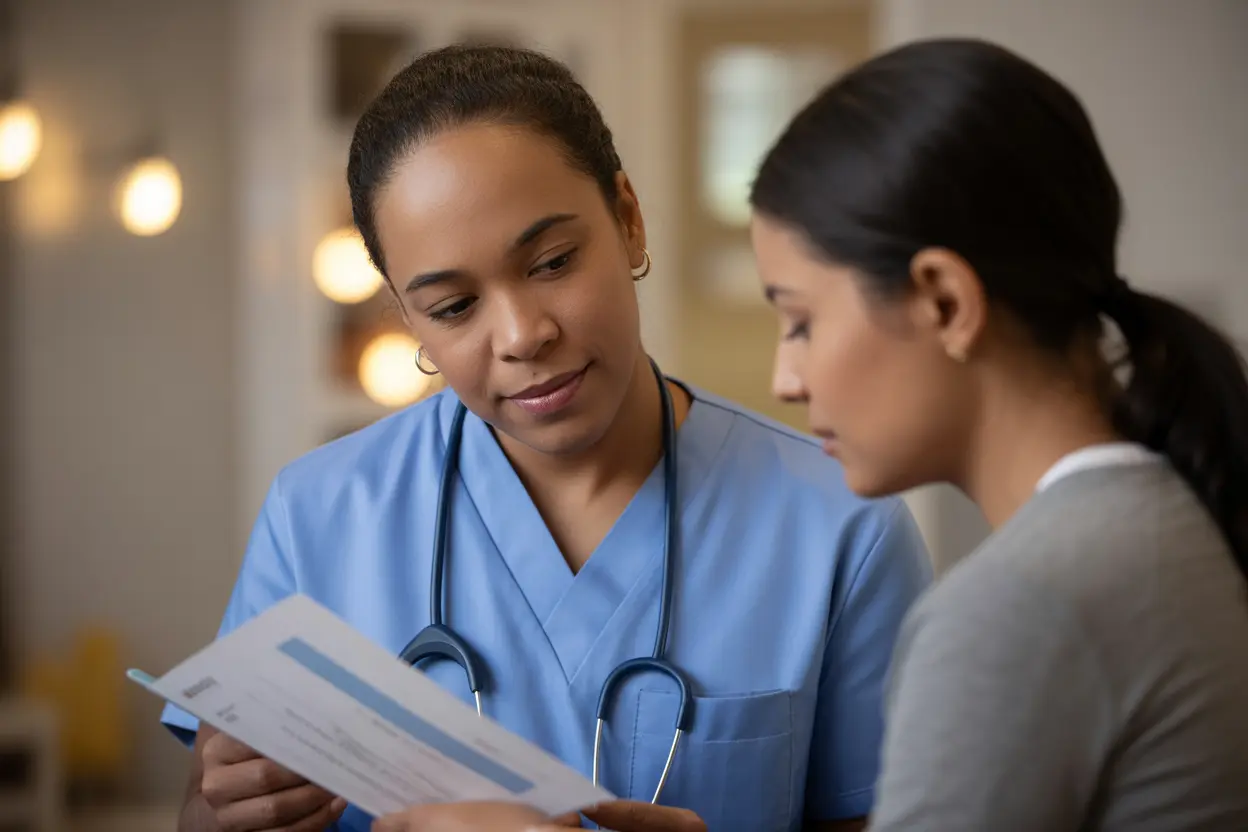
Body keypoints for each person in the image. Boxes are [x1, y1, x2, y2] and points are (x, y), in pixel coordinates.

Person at [377, 35, 1248, 832]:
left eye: (800, 322)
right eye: (452, 306)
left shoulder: (1018, 610)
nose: (787, 379)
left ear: (945, 302)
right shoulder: (1173, 527)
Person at [163, 44, 934, 832]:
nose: (523, 335)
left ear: (628, 220)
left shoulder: (843, 530)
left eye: (554, 261)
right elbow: (205, 806)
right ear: (407, 318)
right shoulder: (317, 518)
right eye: (454, 307)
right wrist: (223, 808)